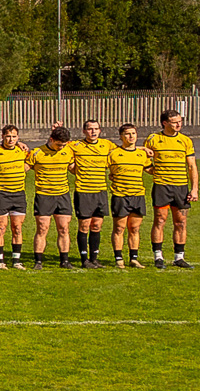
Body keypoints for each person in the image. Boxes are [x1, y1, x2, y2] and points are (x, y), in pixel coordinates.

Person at [145, 108, 196, 269]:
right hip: (162, 186)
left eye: (180, 121)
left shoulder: (186, 141)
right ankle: (158, 256)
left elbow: (192, 166)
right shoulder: (154, 139)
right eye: (174, 122)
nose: (178, 124)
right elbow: (143, 160)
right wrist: (155, 172)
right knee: (160, 220)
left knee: (181, 222)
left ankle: (179, 257)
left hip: (181, 187)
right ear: (165, 123)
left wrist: (194, 189)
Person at [68, 119, 115, 270]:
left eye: (96, 129)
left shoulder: (107, 145)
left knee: (97, 225)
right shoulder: (75, 146)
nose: (93, 132)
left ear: (100, 130)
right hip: (83, 191)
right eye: (89, 129)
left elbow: (125, 149)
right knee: (84, 225)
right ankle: (84, 259)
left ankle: (94, 259)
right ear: (84, 131)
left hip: (100, 191)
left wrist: (143, 149)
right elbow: (58, 147)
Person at [29, 126, 75, 270]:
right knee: (42, 228)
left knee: (64, 228)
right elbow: (24, 167)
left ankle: (65, 261)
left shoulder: (68, 151)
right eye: (59, 144)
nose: (61, 147)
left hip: (63, 195)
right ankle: (38, 261)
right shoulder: (37, 152)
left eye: (64, 145)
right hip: (44, 195)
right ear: (51, 139)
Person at [108, 124, 152, 268]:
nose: (131, 136)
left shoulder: (142, 154)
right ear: (121, 136)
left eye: (133, 133)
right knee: (119, 228)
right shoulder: (113, 153)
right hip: (120, 195)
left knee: (134, 229)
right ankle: (118, 258)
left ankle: (134, 258)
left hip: (138, 195)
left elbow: (150, 170)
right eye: (127, 134)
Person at [0, 125, 30, 268]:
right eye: (8, 136)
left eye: (14, 136)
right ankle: (0, 261)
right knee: (1, 228)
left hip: (19, 194)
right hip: (1, 194)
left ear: (18, 138)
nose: (11, 139)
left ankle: (16, 261)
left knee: (17, 228)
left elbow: (33, 162)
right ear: (2, 137)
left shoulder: (23, 151)